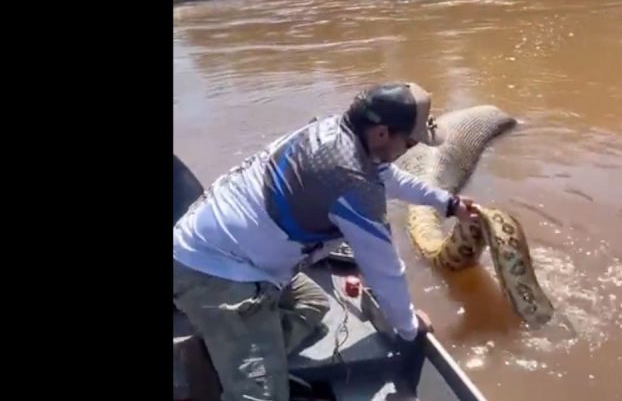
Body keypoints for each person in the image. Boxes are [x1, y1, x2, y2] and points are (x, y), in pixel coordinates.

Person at [173, 82, 477, 401]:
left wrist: (448, 203)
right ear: (383, 133)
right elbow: (386, 271)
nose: (410, 149)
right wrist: (409, 327)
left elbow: (388, 176)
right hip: (215, 271)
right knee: (262, 395)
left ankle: (219, 349)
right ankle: (229, 352)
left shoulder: (338, 131)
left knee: (313, 305)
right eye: (411, 142)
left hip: (236, 251)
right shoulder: (352, 184)